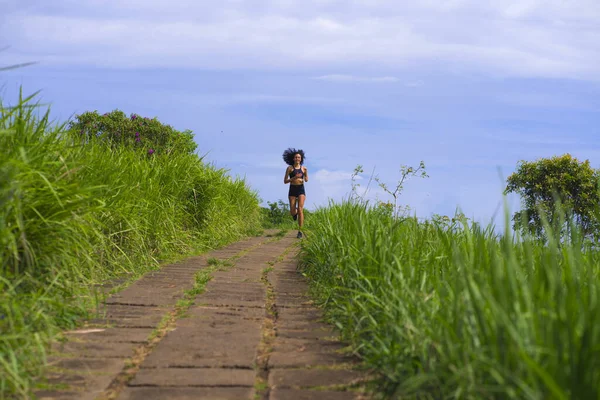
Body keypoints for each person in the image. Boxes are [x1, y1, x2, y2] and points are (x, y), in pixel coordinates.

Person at [282, 148, 308, 238]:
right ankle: (294, 214)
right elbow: (285, 181)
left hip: (301, 189)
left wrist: (305, 177)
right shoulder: (290, 168)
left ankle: (300, 231)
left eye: (299, 157)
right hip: (292, 189)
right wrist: (294, 178)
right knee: (293, 211)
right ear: (293, 159)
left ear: (301, 159)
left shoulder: (304, 168)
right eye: (296, 157)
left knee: (300, 209)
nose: (297, 159)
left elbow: (307, 179)